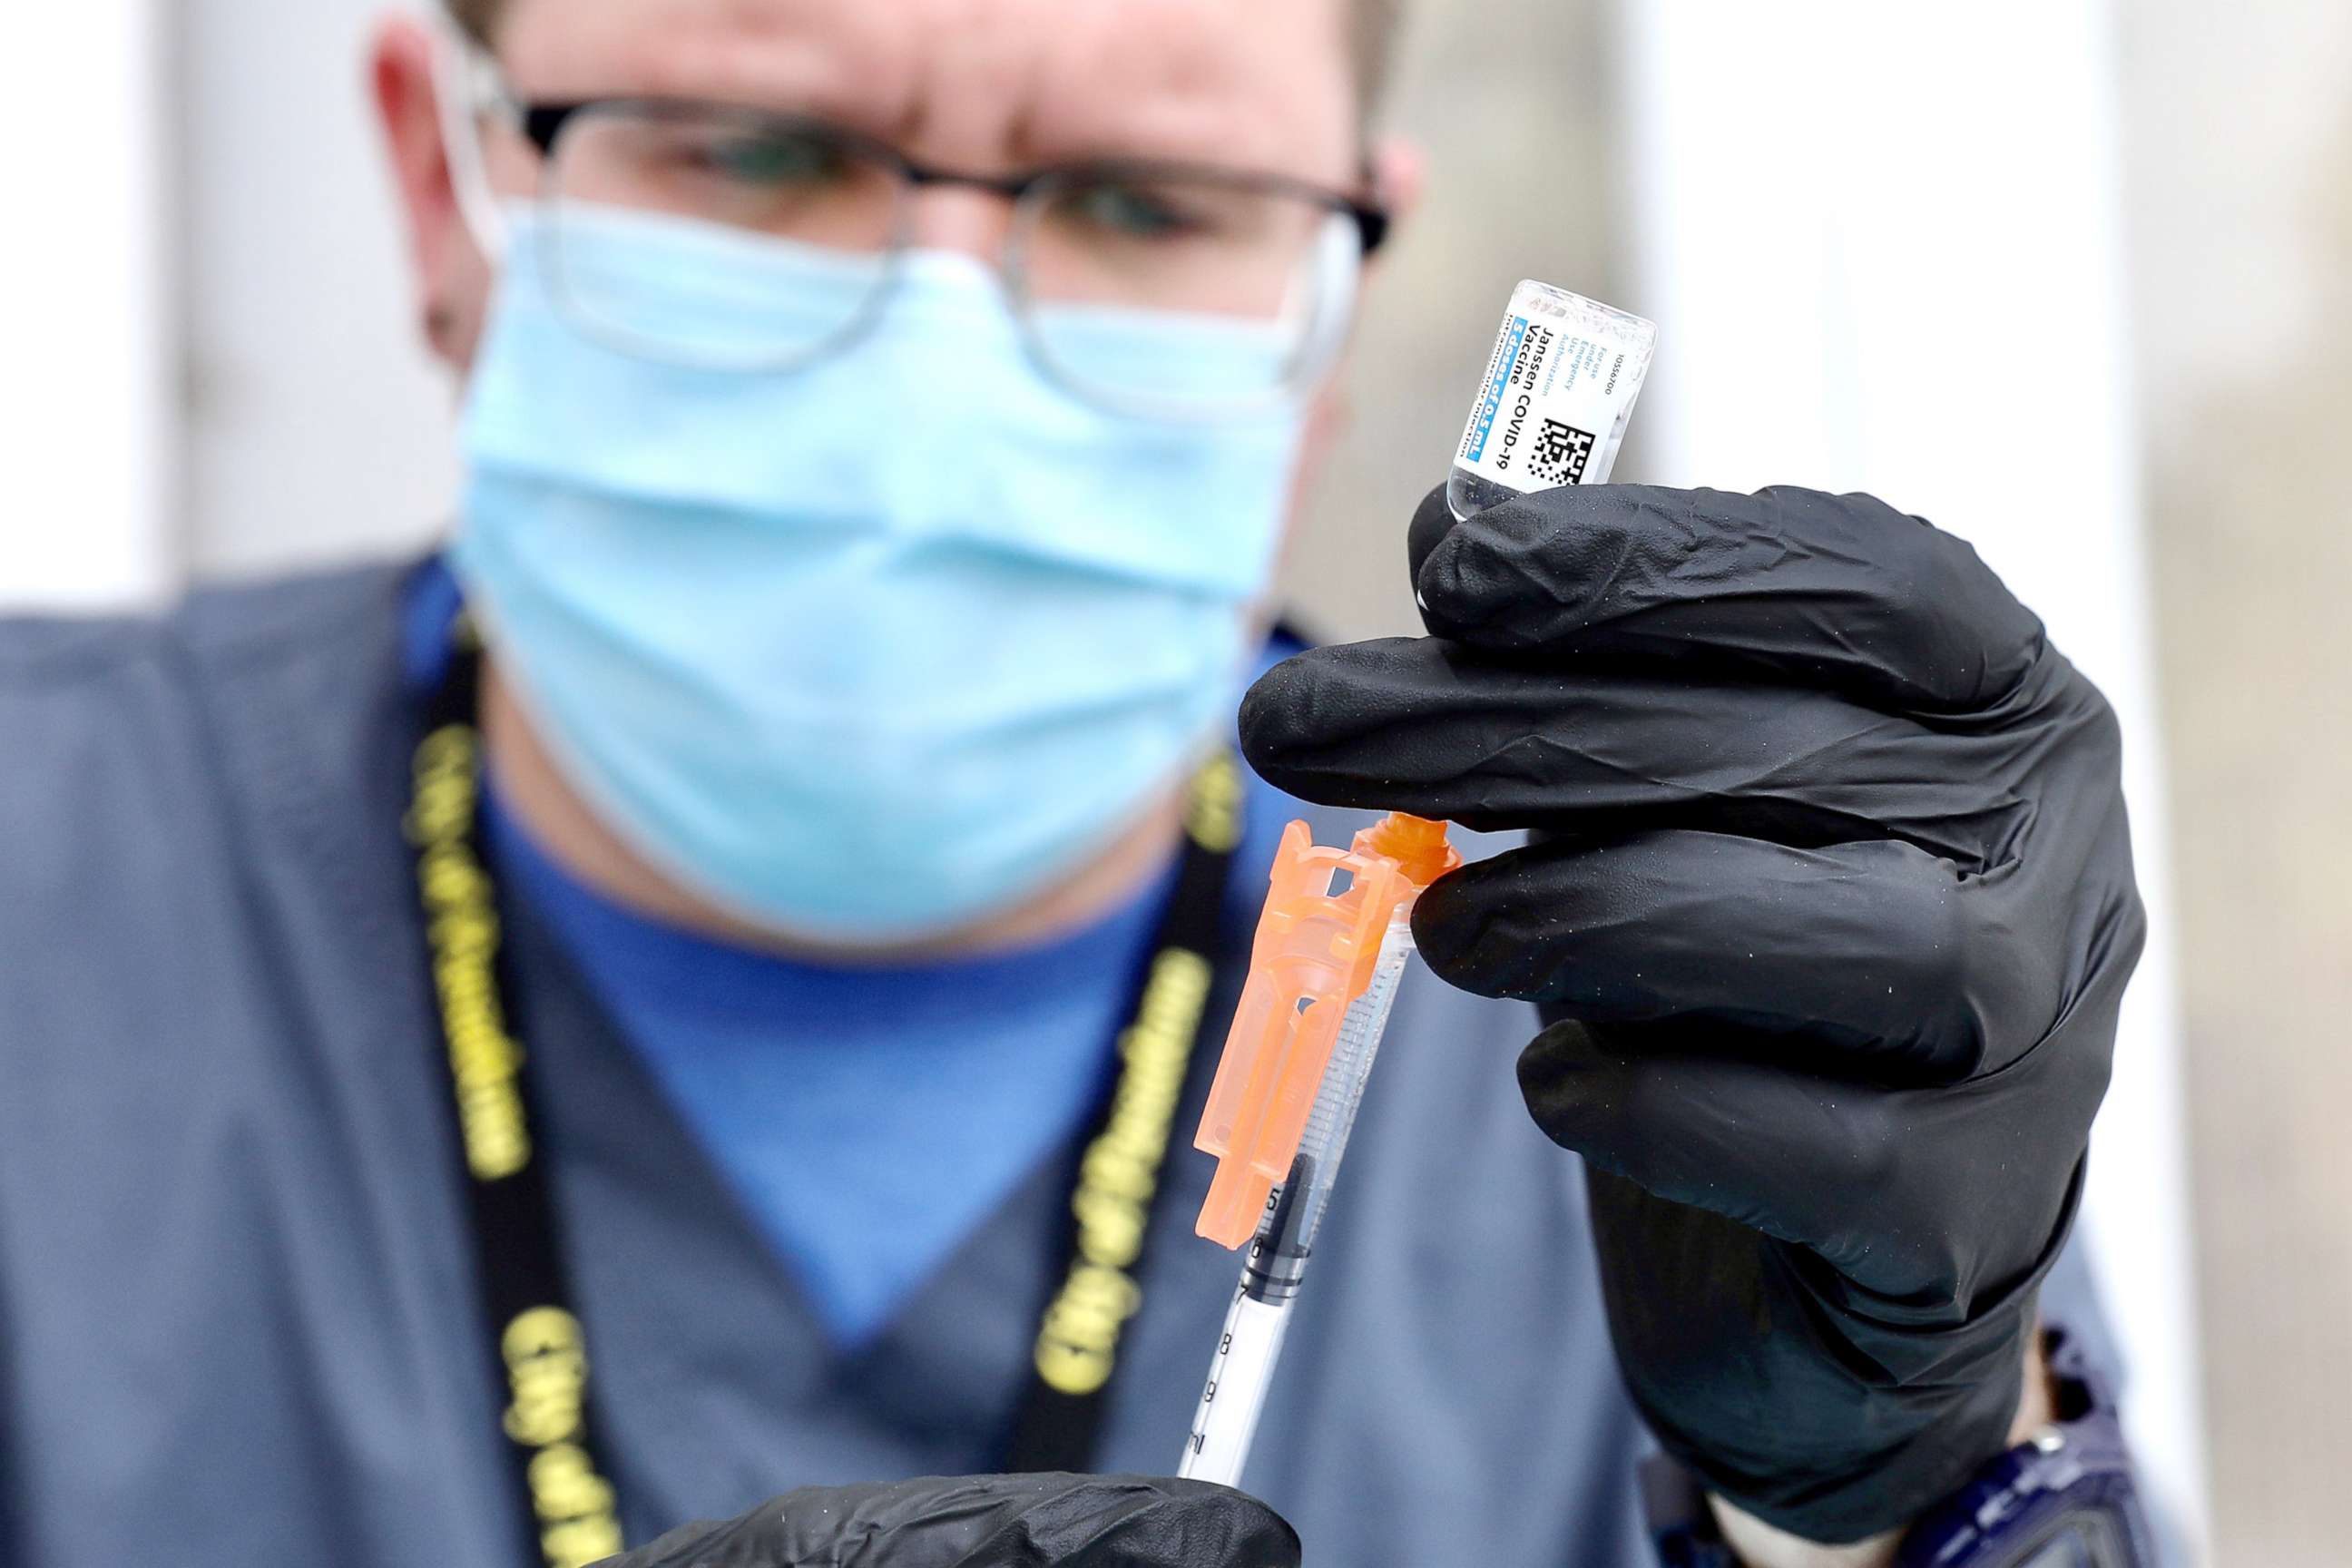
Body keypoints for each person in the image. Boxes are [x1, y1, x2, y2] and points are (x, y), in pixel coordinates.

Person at [0, 1, 2153, 1565]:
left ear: (1328, 301)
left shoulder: (1682, 990)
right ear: (442, 177)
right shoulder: (59, 875)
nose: (935, 353)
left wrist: (1892, 1519)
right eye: (753, 151)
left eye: (1148, 198)